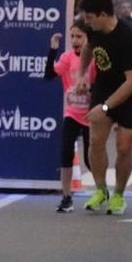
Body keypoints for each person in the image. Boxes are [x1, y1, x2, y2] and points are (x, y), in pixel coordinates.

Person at [79, 0, 132, 217]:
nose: (86, 22)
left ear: (104, 14)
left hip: (131, 92)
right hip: (104, 86)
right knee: (95, 142)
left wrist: (105, 107)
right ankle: (100, 190)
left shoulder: (127, 38)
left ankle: (119, 194)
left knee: (124, 147)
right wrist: (81, 75)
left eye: (90, 17)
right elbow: (88, 48)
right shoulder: (93, 29)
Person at [46, 23, 93, 211]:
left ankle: (102, 191)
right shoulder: (67, 57)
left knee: (91, 158)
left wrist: (89, 88)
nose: (75, 41)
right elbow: (49, 75)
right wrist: (53, 50)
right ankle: (66, 197)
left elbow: (105, 85)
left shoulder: (95, 59)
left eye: (79, 36)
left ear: (88, 39)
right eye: (72, 36)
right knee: (66, 151)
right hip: (72, 112)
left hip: (91, 114)